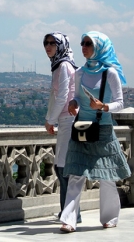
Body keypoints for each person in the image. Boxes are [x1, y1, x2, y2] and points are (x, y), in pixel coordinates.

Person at [60, 31, 131, 233]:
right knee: (75, 174)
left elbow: (120, 103)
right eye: (82, 43)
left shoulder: (110, 73)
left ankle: (110, 217)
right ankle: (69, 220)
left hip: (103, 129)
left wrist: (103, 107)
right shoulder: (79, 73)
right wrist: (74, 103)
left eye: (88, 43)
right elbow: (76, 98)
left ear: (99, 47)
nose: (83, 47)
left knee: (107, 176)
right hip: (82, 128)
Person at [43, 32, 81, 223]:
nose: (48, 46)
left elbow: (62, 96)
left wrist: (51, 120)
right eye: (46, 43)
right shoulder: (59, 65)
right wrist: (50, 119)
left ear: (61, 45)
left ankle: (70, 212)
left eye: (52, 43)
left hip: (69, 120)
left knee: (64, 166)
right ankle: (69, 211)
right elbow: (55, 96)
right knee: (63, 166)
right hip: (64, 120)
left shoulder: (64, 66)